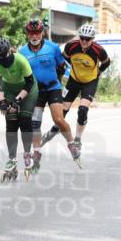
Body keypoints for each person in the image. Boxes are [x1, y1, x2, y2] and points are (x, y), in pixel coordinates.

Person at [40, 23, 109, 164]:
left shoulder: (98, 50)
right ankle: (54, 130)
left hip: (90, 81)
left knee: (82, 110)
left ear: (92, 39)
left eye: (88, 39)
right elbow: (64, 57)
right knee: (62, 112)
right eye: (82, 38)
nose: (84, 42)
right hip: (74, 80)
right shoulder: (71, 46)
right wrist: (72, 66)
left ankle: (77, 140)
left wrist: (98, 72)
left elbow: (107, 62)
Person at [19, 17, 75, 175]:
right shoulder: (22, 52)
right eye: (31, 33)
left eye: (37, 32)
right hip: (36, 91)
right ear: (27, 34)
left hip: (53, 88)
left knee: (58, 119)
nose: (34, 36)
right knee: (35, 123)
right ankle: (36, 152)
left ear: (42, 33)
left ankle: (71, 143)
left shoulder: (53, 48)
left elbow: (64, 66)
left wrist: (61, 80)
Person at [0, 37, 38, 182]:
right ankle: (12, 159)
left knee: (24, 119)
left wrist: (18, 100)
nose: (3, 61)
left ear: (9, 51)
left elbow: (29, 83)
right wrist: (2, 100)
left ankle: (27, 153)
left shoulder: (20, 60)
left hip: (28, 89)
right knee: (11, 123)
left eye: (4, 57)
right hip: (9, 89)